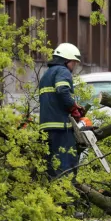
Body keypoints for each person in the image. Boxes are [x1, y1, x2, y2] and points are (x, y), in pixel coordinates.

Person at [38, 43, 85, 178]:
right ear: (66, 60)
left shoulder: (46, 75)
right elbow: (62, 90)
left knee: (51, 167)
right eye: (74, 63)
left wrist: (73, 104)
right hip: (60, 126)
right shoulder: (63, 71)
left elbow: (54, 97)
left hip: (46, 127)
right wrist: (73, 108)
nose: (74, 66)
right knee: (66, 166)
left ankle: (53, 196)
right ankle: (67, 196)